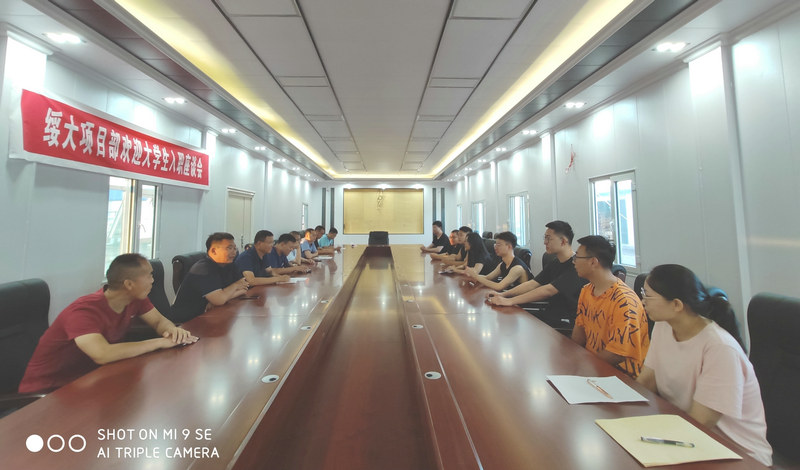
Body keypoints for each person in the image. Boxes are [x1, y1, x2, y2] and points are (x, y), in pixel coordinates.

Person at [637, 264, 772, 466]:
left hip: (736, 453)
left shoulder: (720, 348)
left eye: (647, 296)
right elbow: (647, 380)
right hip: (691, 437)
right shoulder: (664, 327)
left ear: (676, 305)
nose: (642, 301)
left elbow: (702, 421)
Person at [19, 254, 198, 394]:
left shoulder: (135, 299)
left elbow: (158, 321)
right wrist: (160, 342)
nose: (153, 280)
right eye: (149, 275)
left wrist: (171, 331)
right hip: (50, 392)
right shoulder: (83, 311)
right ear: (129, 284)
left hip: (91, 380)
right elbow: (102, 354)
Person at [571, 235, 649, 378]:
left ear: (593, 262)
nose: (574, 262)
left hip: (621, 376)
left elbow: (617, 354)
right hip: (591, 368)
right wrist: (571, 360)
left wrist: (584, 367)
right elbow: (579, 332)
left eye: (577, 257)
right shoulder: (587, 290)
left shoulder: (624, 301)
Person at [486, 221, 588, 330]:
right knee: (505, 322)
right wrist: (503, 295)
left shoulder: (576, 266)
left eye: (548, 238)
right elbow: (532, 284)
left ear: (563, 241)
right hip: (549, 314)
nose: (545, 242)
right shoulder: (555, 262)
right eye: (544, 238)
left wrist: (510, 301)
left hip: (564, 321)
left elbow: (548, 290)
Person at [169, 232, 249, 323]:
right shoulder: (203, 269)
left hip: (208, 316)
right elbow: (220, 299)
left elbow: (244, 288)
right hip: (186, 322)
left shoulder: (229, 264)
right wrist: (235, 286)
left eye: (235, 248)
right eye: (229, 248)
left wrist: (223, 297)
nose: (234, 252)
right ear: (214, 251)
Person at [464, 231, 532, 290]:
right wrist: (472, 274)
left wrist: (475, 276)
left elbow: (499, 286)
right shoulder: (502, 264)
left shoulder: (517, 268)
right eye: (495, 244)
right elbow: (487, 277)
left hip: (521, 300)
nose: (495, 247)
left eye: (498, 245)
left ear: (509, 246)